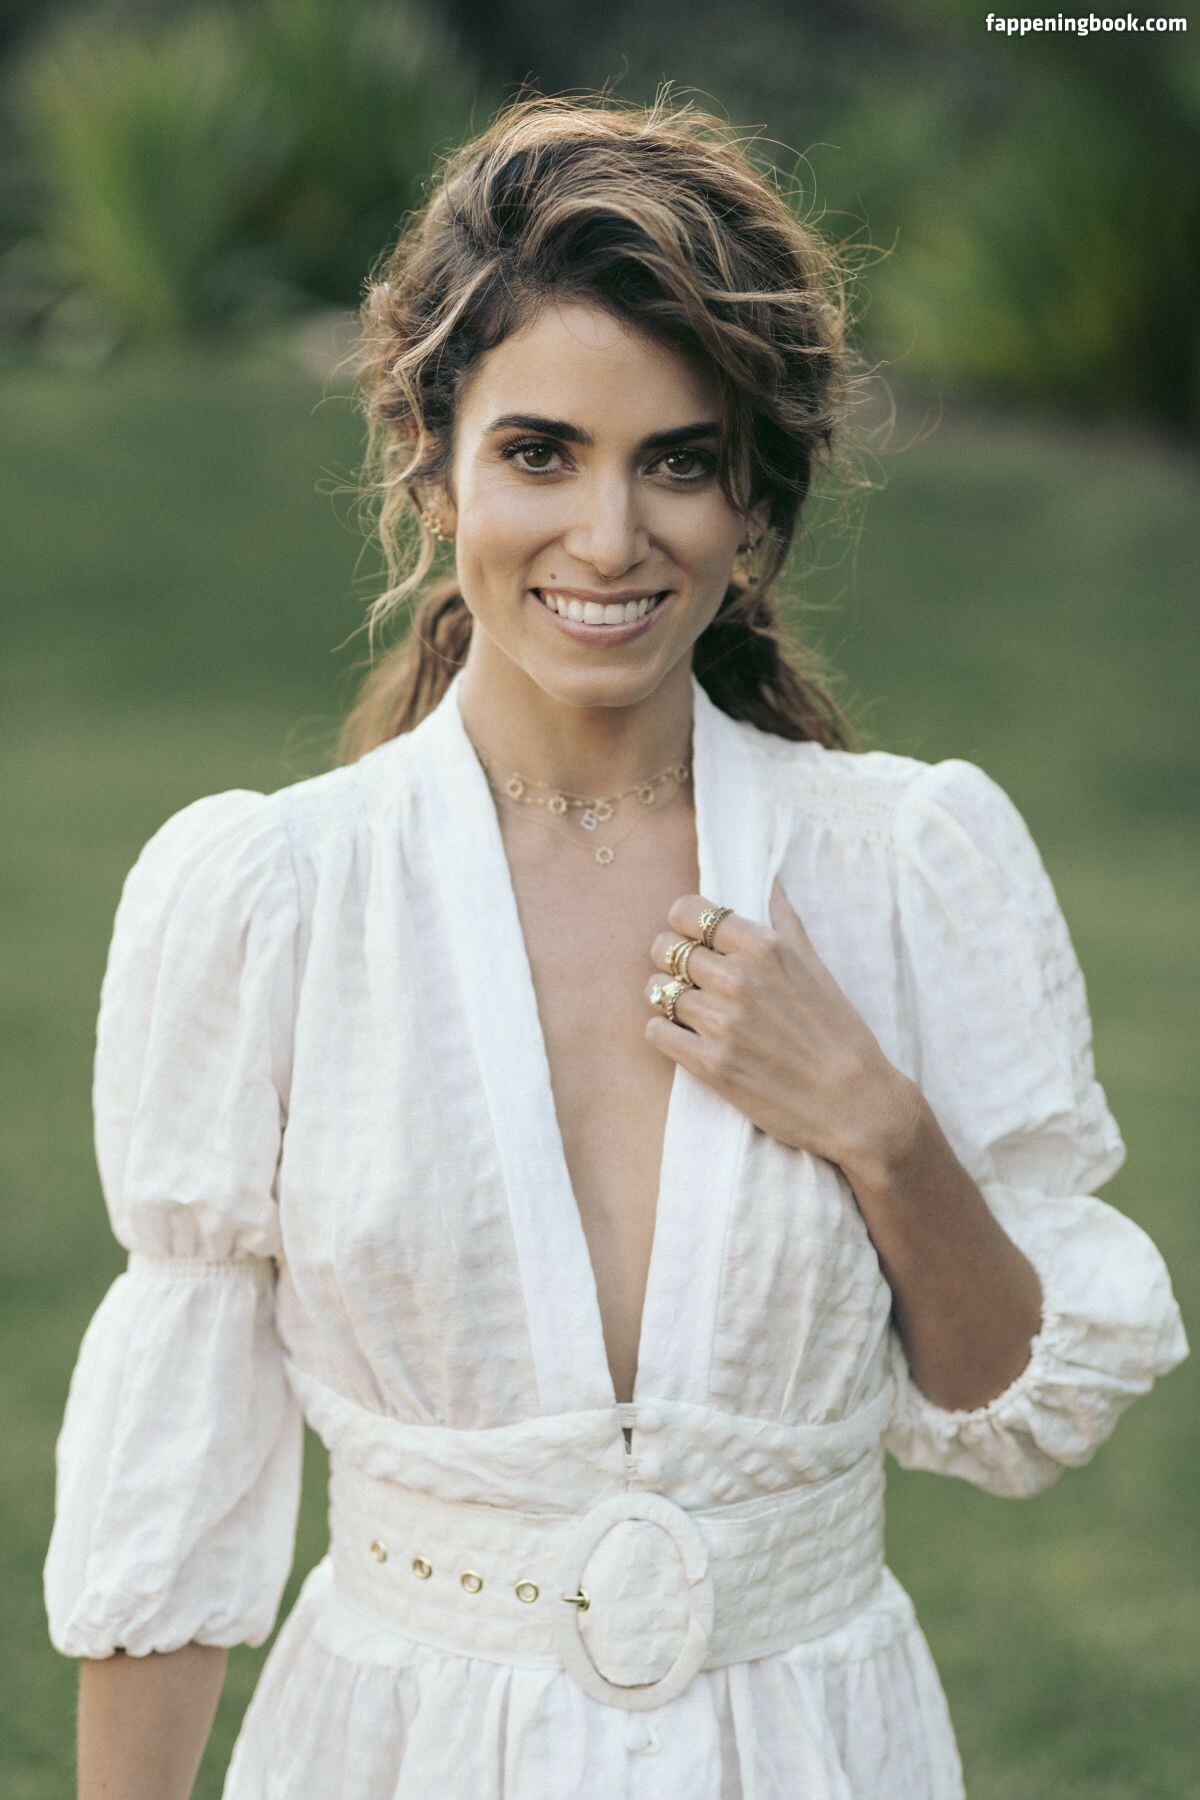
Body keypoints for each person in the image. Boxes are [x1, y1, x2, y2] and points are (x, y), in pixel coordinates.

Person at [46, 94, 1187, 1800]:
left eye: (679, 460)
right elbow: (176, 1485)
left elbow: (1005, 1403)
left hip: (810, 1749)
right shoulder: (277, 896)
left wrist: (879, 1128)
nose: (608, 536)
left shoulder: (902, 866)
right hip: (399, 1753)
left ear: (755, 504)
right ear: (428, 461)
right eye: (540, 453)